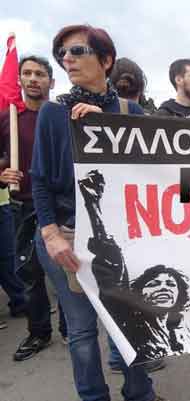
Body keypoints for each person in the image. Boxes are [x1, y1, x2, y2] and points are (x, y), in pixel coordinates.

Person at [31, 24, 168, 401]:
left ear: (106, 60)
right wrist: (51, 234)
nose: (67, 59)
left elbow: (152, 171)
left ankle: (140, 394)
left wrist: (108, 128)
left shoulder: (129, 111)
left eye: (77, 51)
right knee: (82, 331)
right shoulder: (52, 113)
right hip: (68, 236)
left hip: (121, 239)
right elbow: (40, 179)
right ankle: (94, 397)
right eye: (62, 53)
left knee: (131, 325)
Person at [79, 170, 190, 361]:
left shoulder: (179, 330)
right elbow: (111, 258)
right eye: (154, 284)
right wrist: (93, 205)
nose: (163, 288)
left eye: (170, 284)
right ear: (138, 292)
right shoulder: (129, 317)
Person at [0, 55, 70, 360]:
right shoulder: (8, 119)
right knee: (29, 275)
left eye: (39, 74)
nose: (32, 79)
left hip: (60, 207)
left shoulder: (63, 117)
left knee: (66, 272)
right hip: (23, 206)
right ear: (19, 80)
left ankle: (70, 328)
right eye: (27, 73)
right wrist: (2, 175)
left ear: (51, 82)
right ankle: (38, 332)